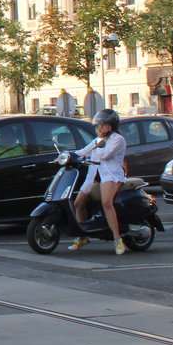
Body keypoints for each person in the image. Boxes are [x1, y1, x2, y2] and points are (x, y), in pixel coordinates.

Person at [69, 109, 128, 255]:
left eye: (102, 125)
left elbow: (105, 155)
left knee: (106, 202)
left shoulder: (117, 140)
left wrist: (99, 142)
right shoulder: (98, 141)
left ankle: (117, 239)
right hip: (94, 176)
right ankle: (82, 236)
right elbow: (82, 151)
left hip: (111, 176)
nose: (99, 128)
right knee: (78, 204)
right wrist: (65, 156)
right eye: (98, 126)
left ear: (111, 125)